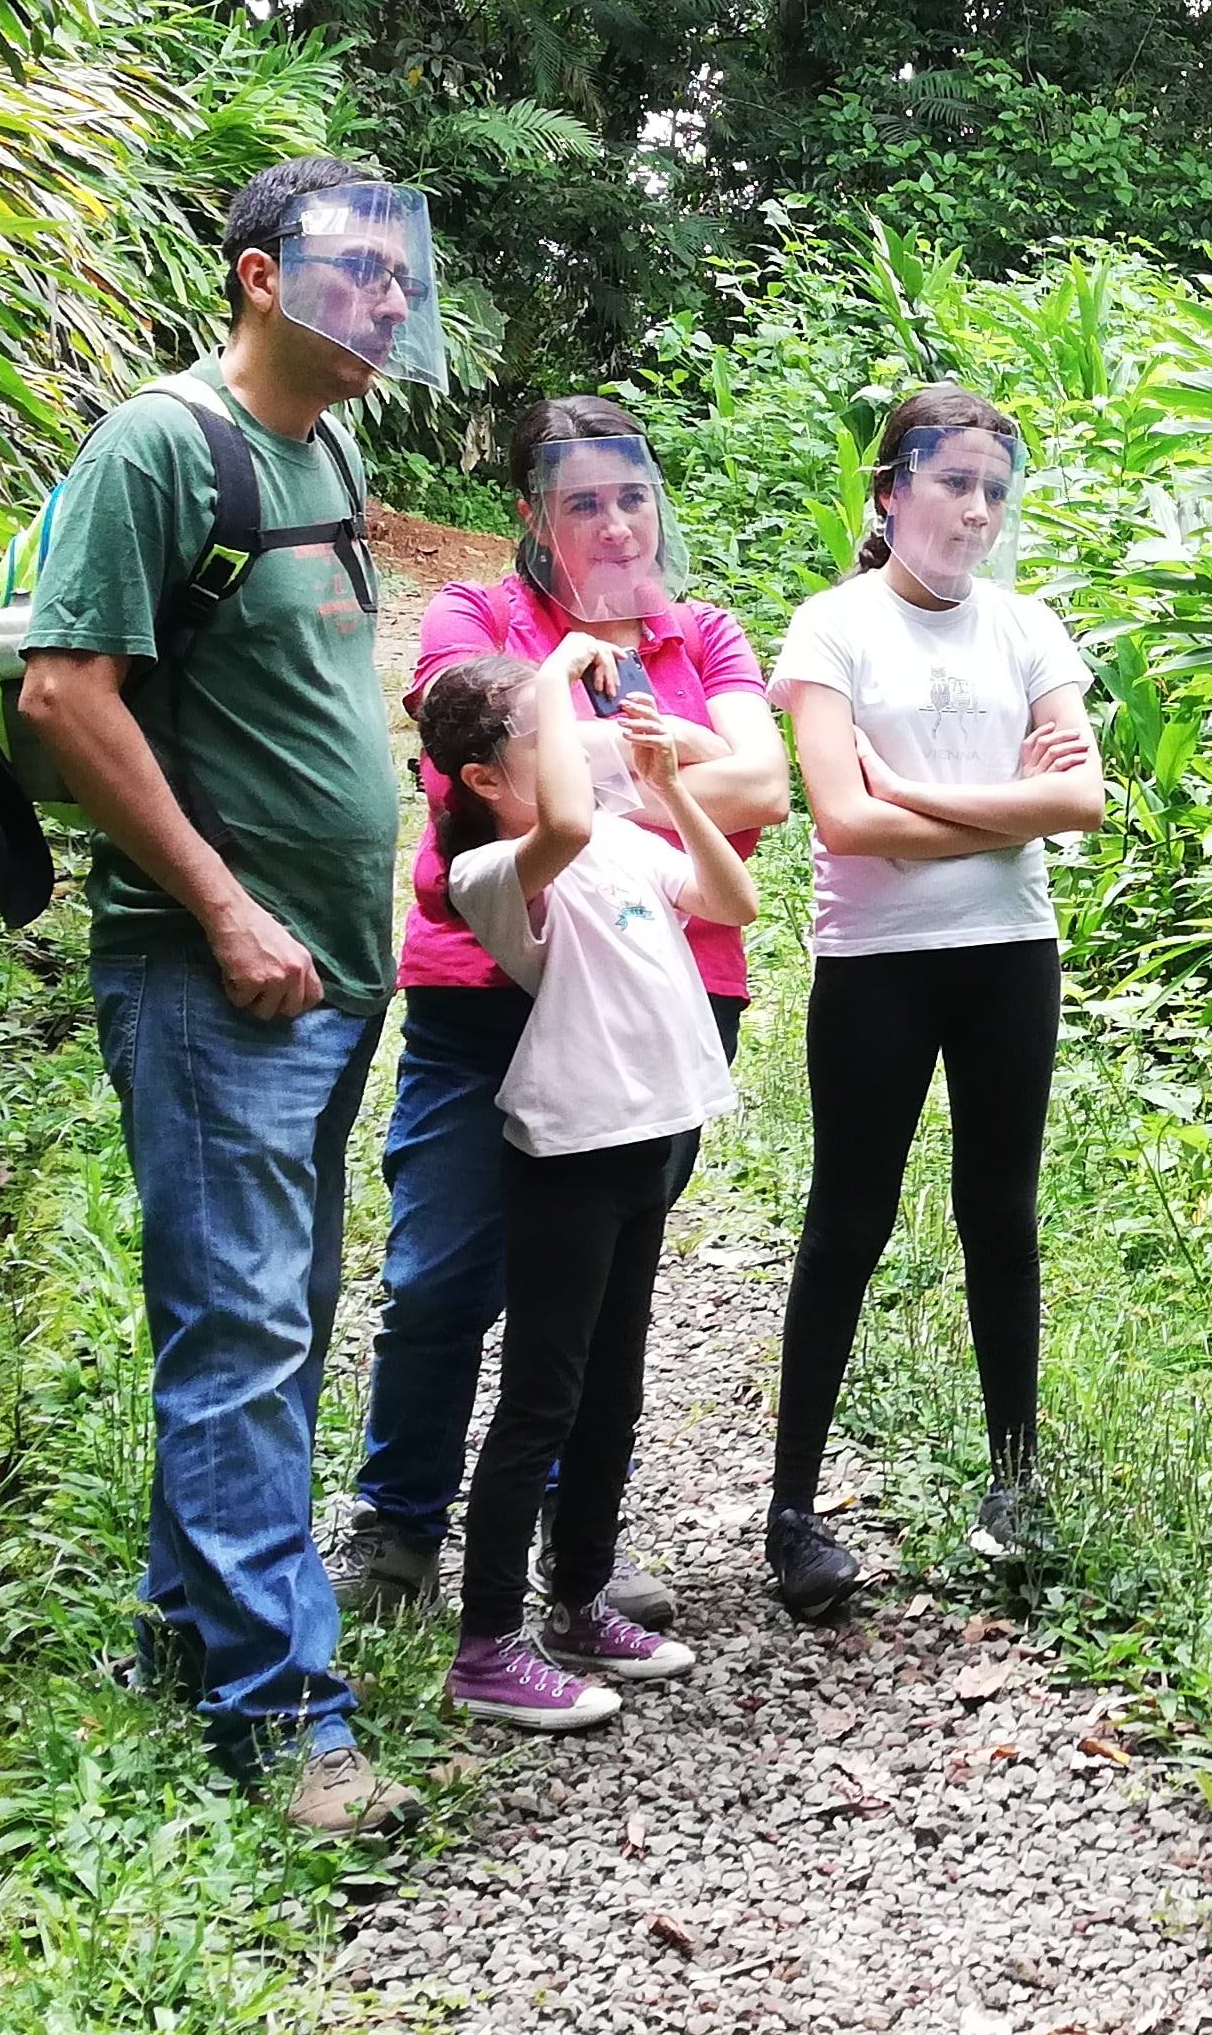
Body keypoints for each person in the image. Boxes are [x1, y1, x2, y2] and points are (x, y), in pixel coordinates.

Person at [14, 158, 438, 1835]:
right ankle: (285, 1719)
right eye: (358, 272)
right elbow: (63, 692)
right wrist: (227, 907)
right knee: (249, 1331)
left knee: (266, 1317)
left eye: (404, 276)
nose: (391, 302)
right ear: (261, 277)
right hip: (220, 980)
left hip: (330, 976)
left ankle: (188, 1632)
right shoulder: (158, 445)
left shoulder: (326, 446)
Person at [339, 401, 790, 1628]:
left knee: (599, 1289)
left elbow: (769, 789)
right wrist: (656, 757)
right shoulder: (472, 616)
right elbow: (469, 767)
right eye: (581, 500)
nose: (612, 520)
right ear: (534, 516)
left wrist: (588, 750)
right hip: (483, 993)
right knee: (444, 1271)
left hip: (663, 991)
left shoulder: (704, 628)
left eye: (630, 495)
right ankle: (403, 1523)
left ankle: (571, 1536)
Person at [759, 386, 1105, 1619]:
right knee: (848, 1221)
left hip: (1011, 951)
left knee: (999, 1218)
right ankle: (792, 1512)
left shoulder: (1027, 629)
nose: (975, 508)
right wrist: (996, 800)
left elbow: (1082, 805)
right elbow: (844, 822)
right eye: (952, 481)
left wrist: (915, 798)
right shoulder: (831, 628)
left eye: (995, 488)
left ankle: (1015, 1486)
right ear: (891, 488)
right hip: (876, 964)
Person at [421, 642, 754, 1727]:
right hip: (566, 1155)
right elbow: (557, 821)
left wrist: (665, 794)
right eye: (545, 735)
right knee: (541, 1401)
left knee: (613, 1387)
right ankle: (484, 1648)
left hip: (644, 1141)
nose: (578, 749)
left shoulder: (615, 837)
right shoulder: (491, 872)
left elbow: (730, 899)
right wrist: (555, 673)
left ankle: (577, 1600)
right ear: (481, 779)